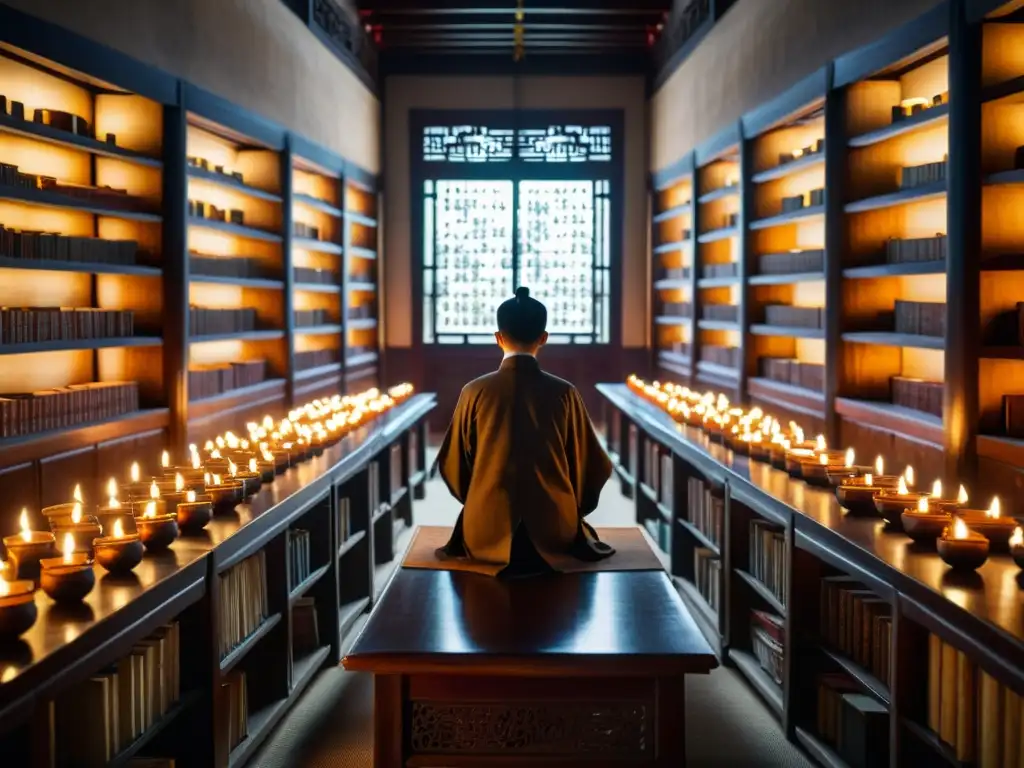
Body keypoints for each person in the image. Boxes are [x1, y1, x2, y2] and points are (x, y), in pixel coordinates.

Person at [434, 286, 614, 576]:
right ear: (543, 338)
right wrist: (567, 506)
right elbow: (587, 464)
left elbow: (453, 464)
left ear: (498, 338)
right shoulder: (564, 393)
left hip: (485, 532)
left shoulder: (474, 392)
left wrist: (482, 497)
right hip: (555, 530)